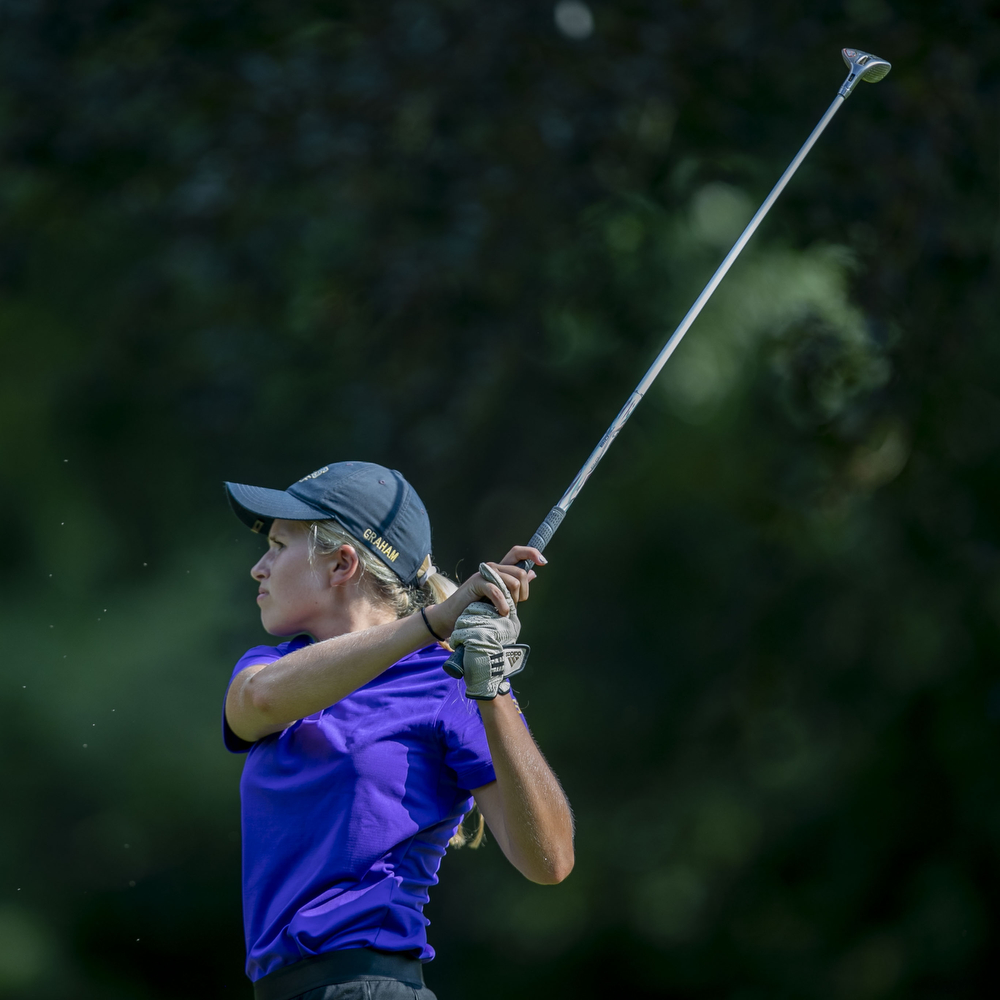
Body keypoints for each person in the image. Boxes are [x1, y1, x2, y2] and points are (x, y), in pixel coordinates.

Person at [222, 460, 574, 1000]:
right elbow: (257, 701)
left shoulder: (447, 680)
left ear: (342, 565)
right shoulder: (273, 666)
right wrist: (434, 622)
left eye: (278, 545)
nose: (259, 568)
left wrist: (492, 683)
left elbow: (549, 860)